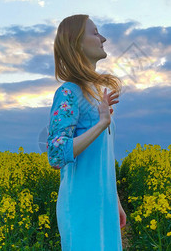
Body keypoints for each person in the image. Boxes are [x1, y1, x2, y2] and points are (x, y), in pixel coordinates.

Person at [46, 14, 126, 250]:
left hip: (104, 204)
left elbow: (102, 157)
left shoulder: (95, 94)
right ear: (77, 43)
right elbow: (56, 154)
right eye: (95, 32)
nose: (103, 38)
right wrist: (101, 124)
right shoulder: (68, 93)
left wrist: (116, 201)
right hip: (81, 206)